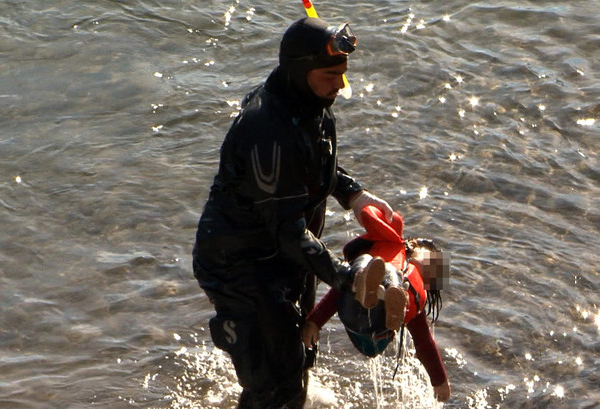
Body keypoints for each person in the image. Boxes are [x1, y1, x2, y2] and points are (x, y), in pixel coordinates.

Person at [192, 17, 397, 409]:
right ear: (300, 71)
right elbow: (288, 230)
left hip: (288, 258)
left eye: (343, 74)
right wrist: (343, 278)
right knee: (274, 384)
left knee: (300, 354)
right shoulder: (266, 131)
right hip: (241, 265)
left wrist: (354, 196)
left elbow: (314, 165)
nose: (341, 84)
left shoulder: (313, 104)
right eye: (331, 75)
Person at [301, 205, 452, 402]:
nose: (431, 272)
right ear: (412, 246)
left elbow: (424, 343)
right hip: (365, 321)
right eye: (431, 262)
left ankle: (380, 295)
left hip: (372, 324)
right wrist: (314, 322)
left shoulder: (414, 294)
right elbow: (424, 344)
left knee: (376, 269)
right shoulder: (398, 262)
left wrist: (440, 380)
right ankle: (369, 289)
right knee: (369, 266)